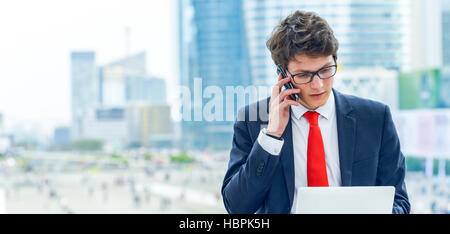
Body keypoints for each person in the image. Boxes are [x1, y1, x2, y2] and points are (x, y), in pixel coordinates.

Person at [221, 10, 410, 214]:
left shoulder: (375, 118)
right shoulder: (253, 120)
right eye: (304, 75)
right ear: (283, 75)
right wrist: (271, 137)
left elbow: (399, 201)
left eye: (326, 70)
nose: (318, 84)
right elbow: (237, 208)